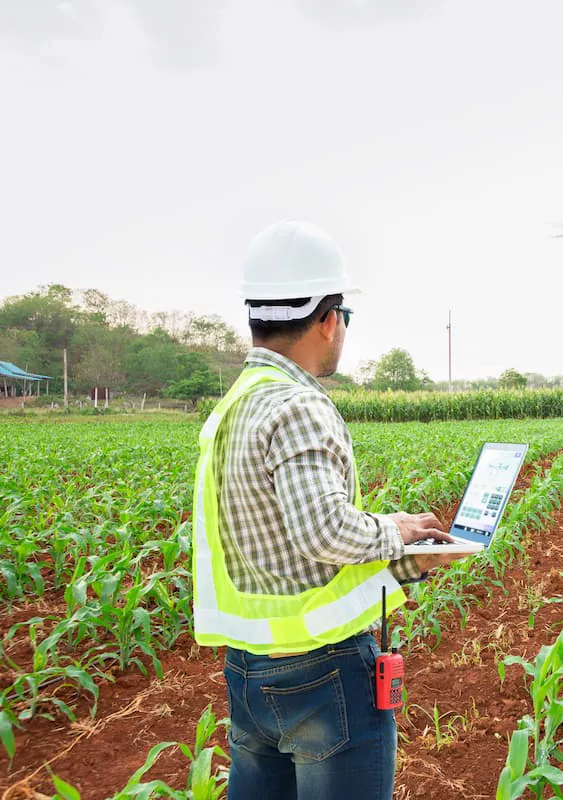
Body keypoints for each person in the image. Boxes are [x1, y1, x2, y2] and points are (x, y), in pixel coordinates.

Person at [190, 220, 466, 799]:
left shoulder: (234, 408)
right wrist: (393, 535)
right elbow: (322, 533)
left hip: (249, 673)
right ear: (326, 318)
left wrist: (405, 555)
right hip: (321, 677)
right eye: (343, 317)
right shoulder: (296, 405)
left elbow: (285, 553)